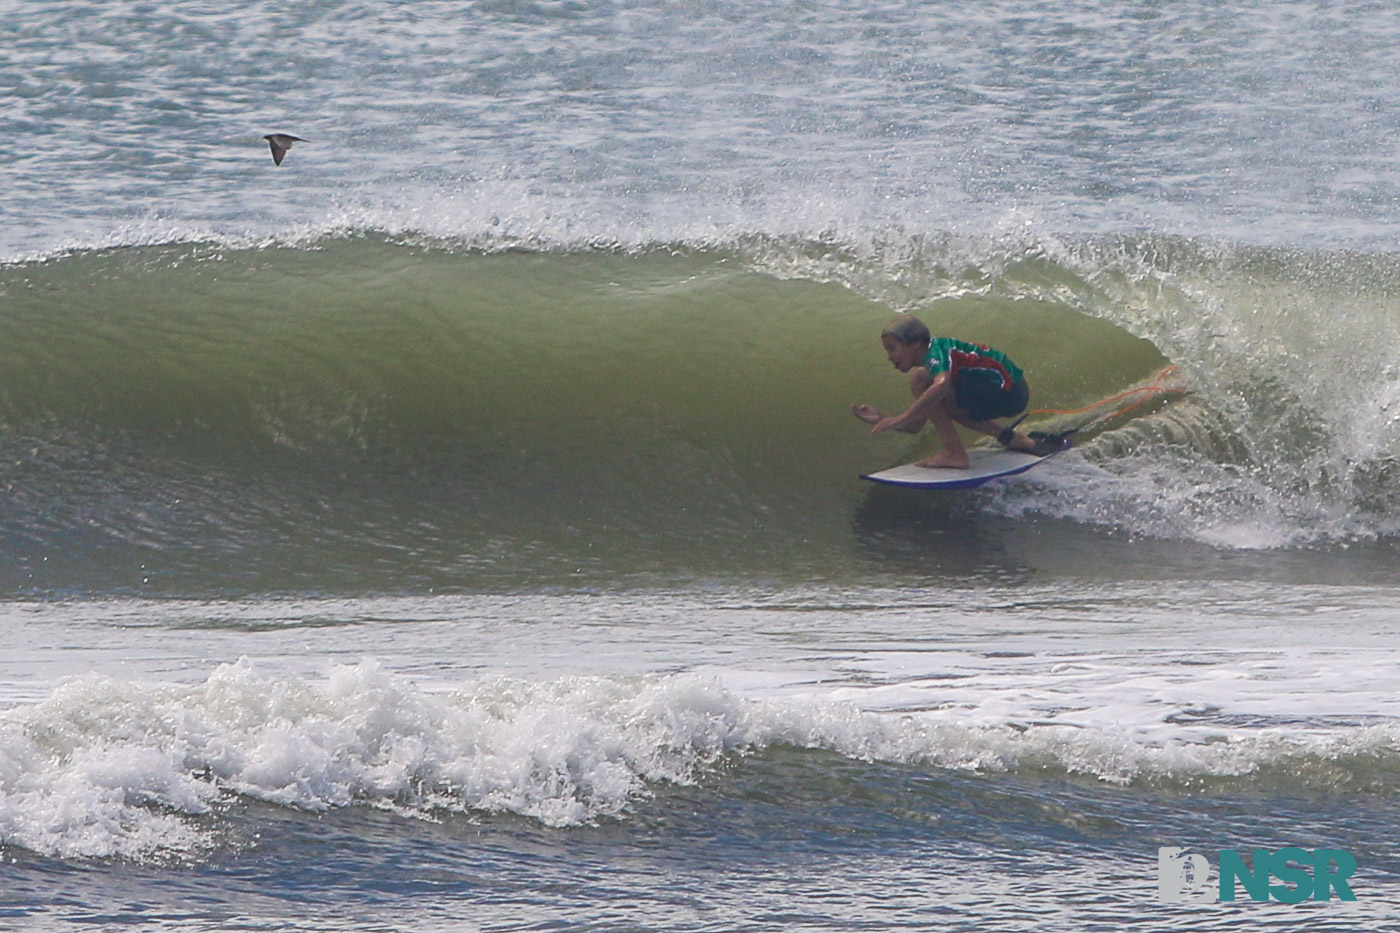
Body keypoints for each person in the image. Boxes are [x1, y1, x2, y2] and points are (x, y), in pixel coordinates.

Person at [852, 315, 1047, 469]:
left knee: (926, 383)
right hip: (1003, 391)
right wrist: (882, 418)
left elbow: (942, 385)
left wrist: (901, 417)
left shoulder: (936, 354)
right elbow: (915, 426)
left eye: (892, 348)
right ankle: (1013, 439)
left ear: (916, 344)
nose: (889, 357)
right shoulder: (934, 356)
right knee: (934, 394)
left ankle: (955, 453)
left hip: (1009, 391)